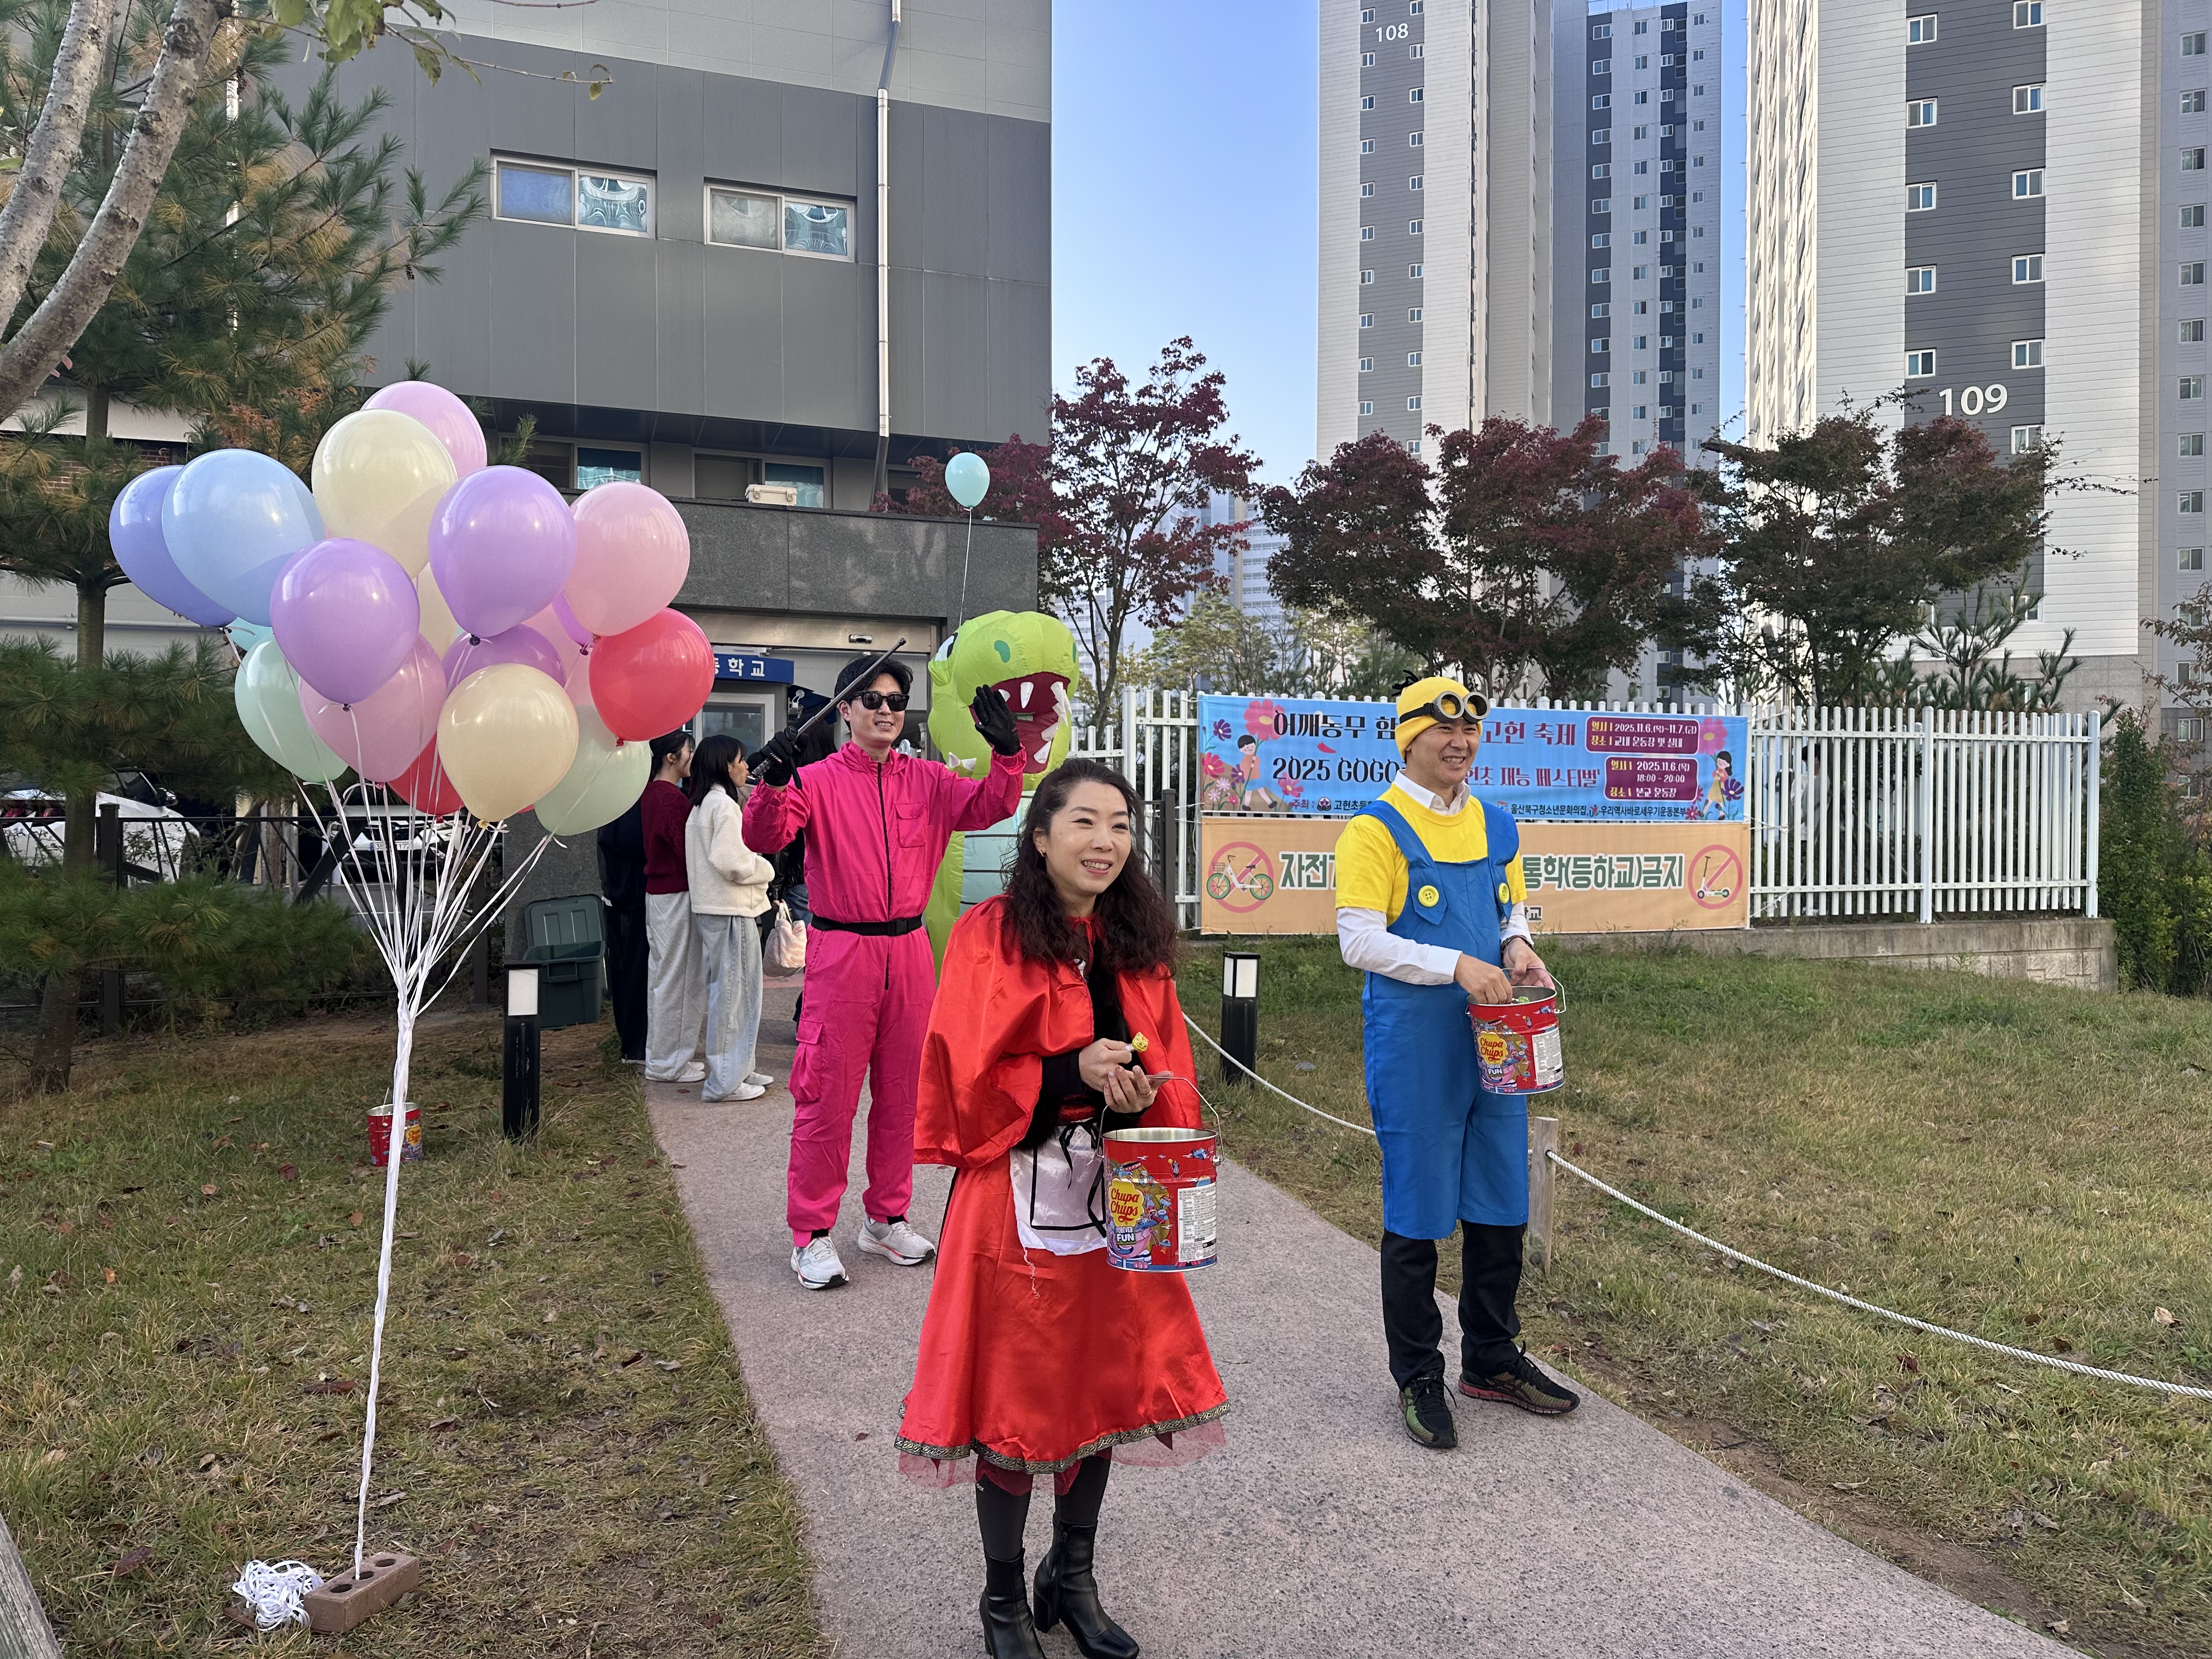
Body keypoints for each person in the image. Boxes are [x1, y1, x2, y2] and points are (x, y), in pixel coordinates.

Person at [896, 758, 1227, 1659]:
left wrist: (1137, 1088)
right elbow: (963, 1071)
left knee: (1101, 1381)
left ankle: (1070, 1576)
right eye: (1082, 821)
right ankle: (1002, 1598)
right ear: (1039, 834)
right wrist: (1064, 1071)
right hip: (1012, 1200)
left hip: (1111, 1200)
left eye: (1119, 824)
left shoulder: (1132, 937)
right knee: (1010, 1393)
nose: (1103, 840)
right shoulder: (989, 934)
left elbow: (1168, 1079)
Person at [1333, 676, 1580, 1451]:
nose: (1460, 743)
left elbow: (1509, 909)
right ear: (1408, 739)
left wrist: (1516, 946)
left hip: (1497, 1038)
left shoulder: (1496, 824)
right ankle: (1418, 1373)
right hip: (1417, 1043)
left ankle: (1492, 1357)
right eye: (1443, 731)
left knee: (1503, 1197)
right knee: (1417, 1209)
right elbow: (1359, 941)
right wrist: (1455, 965)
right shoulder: (1375, 832)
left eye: (1471, 731)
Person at [744, 654, 1028, 1290]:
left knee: (903, 1096)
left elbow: (990, 806)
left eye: (895, 700)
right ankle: (812, 1234)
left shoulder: (928, 780)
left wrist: (1009, 755)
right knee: (828, 1096)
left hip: (909, 952)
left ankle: (886, 1217)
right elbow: (763, 835)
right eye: (870, 699)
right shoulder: (814, 780)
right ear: (844, 710)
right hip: (842, 953)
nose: (884, 711)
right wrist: (774, 781)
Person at [685, 735, 776, 1103]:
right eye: (740, 760)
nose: (745, 767)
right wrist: (765, 868)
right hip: (731, 910)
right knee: (735, 995)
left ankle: (737, 1067)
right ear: (725, 765)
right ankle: (725, 1080)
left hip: (716, 910)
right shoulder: (723, 806)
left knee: (733, 993)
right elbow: (731, 862)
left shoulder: (703, 805)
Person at [641, 730, 706, 1085]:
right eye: (688, 751)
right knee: (679, 981)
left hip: (660, 894)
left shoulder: (652, 794)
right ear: (671, 757)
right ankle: (670, 1063)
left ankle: (663, 1058)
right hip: (676, 893)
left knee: (665, 979)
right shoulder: (670, 799)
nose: (691, 757)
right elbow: (689, 852)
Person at [596, 797, 648, 1063]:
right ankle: (635, 1045)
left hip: (622, 895)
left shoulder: (617, 800)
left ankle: (635, 1043)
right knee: (633, 971)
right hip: (628, 897)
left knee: (628, 971)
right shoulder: (625, 802)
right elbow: (635, 844)